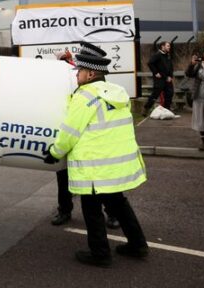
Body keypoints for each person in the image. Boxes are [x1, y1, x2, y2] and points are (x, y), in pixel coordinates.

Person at [45, 43, 148, 267]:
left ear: (90, 74)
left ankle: (100, 254)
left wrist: (54, 152)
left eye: (79, 71)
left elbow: (69, 132)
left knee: (91, 209)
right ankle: (138, 245)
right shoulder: (117, 93)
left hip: (94, 166)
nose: (76, 75)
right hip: (116, 164)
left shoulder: (84, 96)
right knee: (119, 204)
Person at [51, 45, 119, 230]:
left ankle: (112, 213)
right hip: (69, 130)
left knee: (100, 181)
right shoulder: (67, 73)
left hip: (90, 138)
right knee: (63, 176)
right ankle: (64, 210)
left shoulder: (93, 78)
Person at [143, 41, 174, 116]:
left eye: (169, 46)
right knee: (155, 94)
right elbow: (150, 63)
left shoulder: (168, 55)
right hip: (159, 79)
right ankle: (146, 109)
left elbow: (170, 67)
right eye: (167, 46)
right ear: (162, 47)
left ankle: (167, 110)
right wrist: (156, 72)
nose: (169, 47)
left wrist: (170, 76)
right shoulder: (157, 55)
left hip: (167, 79)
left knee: (169, 93)